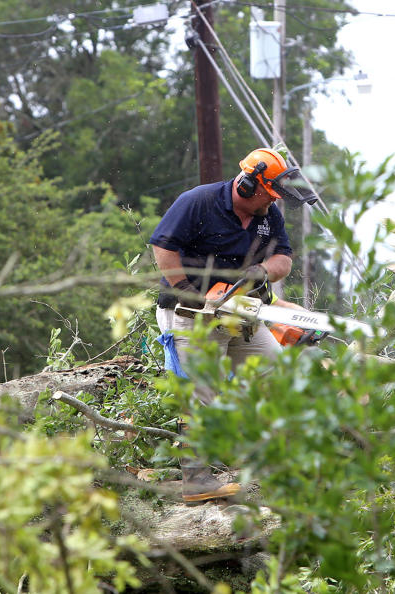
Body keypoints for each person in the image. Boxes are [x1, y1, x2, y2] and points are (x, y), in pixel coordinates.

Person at [148, 147, 315, 503]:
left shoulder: (268, 217)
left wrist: (262, 271)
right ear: (247, 185)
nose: (271, 204)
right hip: (189, 315)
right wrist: (186, 291)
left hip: (240, 312)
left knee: (274, 372)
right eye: (268, 196)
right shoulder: (199, 201)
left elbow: (283, 258)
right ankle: (195, 480)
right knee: (200, 391)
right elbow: (163, 247)